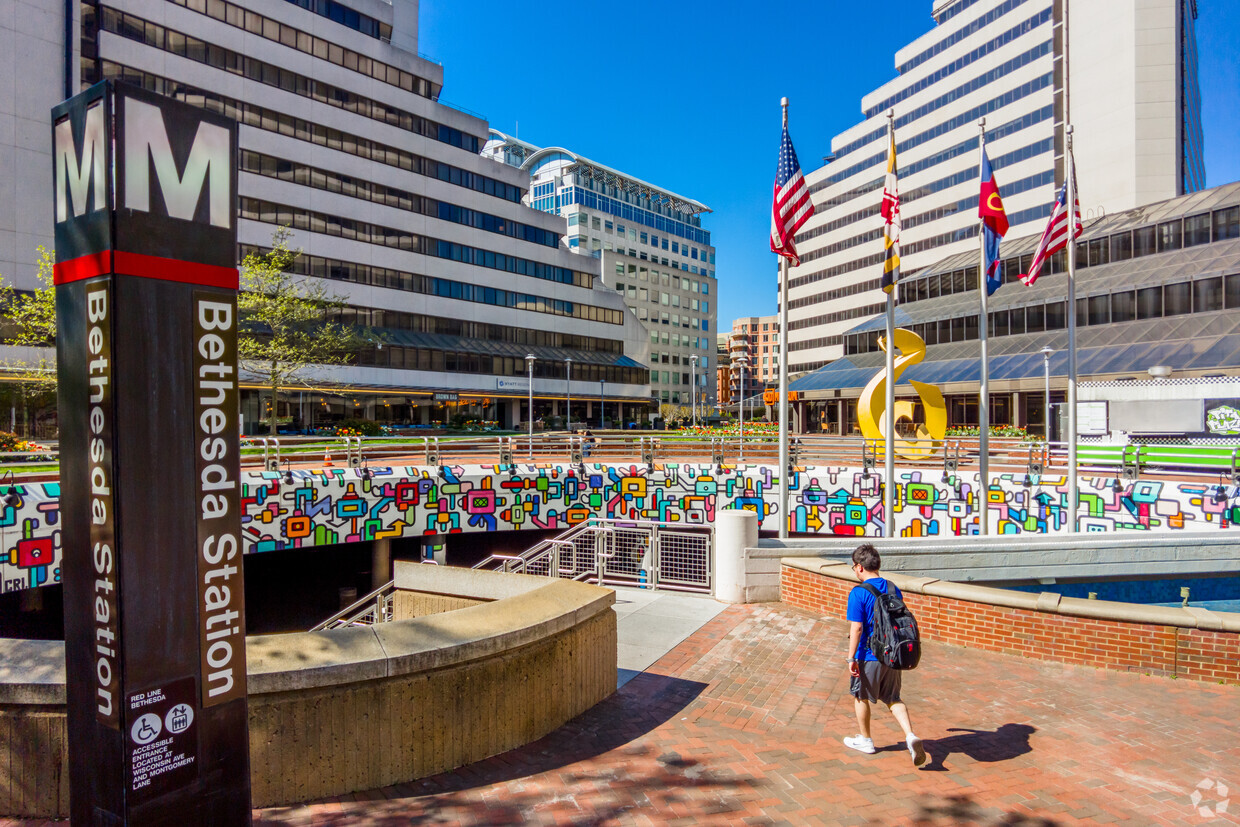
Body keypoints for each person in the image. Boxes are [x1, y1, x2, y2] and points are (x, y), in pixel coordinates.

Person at [843, 543, 927, 767]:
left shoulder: (858, 593)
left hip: (868, 655)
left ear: (859, 567)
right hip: (891, 654)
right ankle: (910, 736)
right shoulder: (892, 587)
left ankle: (866, 740)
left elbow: (857, 628)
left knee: (860, 696)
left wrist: (851, 658)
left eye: (854, 567)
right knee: (893, 698)